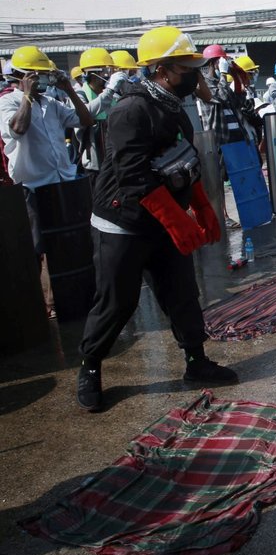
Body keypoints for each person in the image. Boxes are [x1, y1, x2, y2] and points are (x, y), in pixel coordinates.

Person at [74, 26, 236, 412]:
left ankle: (196, 361)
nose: (195, 76)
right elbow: (133, 178)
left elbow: (184, 158)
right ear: (163, 70)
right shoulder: (131, 110)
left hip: (166, 219)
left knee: (182, 292)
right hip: (125, 222)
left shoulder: (172, 106)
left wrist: (200, 206)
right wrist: (178, 222)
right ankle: (90, 365)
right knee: (117, 301)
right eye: (187, 69)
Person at [0, 46, 95, 318]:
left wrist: (69, 90)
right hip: (33, 185)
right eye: (36, 76)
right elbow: (17, 129)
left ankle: (61, 299)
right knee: (37, 247)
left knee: (64, 244)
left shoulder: (52, 103)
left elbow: (85, 119)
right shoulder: (8, 102)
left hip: (61, 181)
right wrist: (27, 97)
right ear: (22, 77)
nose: (42, 80)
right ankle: (42, 305)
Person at [74, 47, 128, 175]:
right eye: (105, 70)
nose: (108, 75)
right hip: (95, 163)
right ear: (93, 74)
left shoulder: (111, 95)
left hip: (114, 159)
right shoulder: (79, 95)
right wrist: (109, 91)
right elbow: (87, 114)